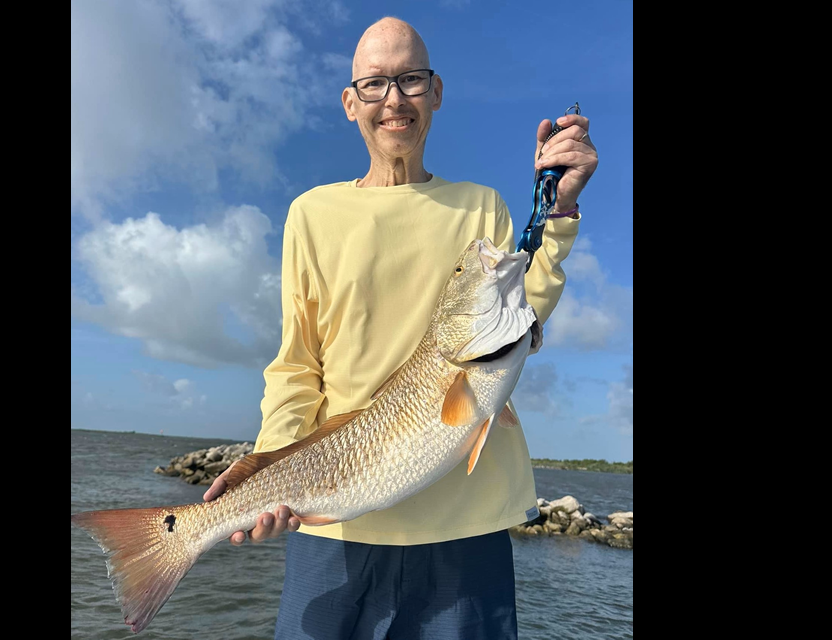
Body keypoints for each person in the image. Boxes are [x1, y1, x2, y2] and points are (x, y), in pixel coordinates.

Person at [204, 16, 598, 639]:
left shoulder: (483, 207)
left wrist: (562, 208)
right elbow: (297, 364)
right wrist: (271, 463)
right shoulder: (311, 214)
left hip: (465, 526)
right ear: (349, 101)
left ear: (436, 92)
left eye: (411, 79)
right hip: (334, 518)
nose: (394, 99)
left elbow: (520, 318)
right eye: (375, 84)